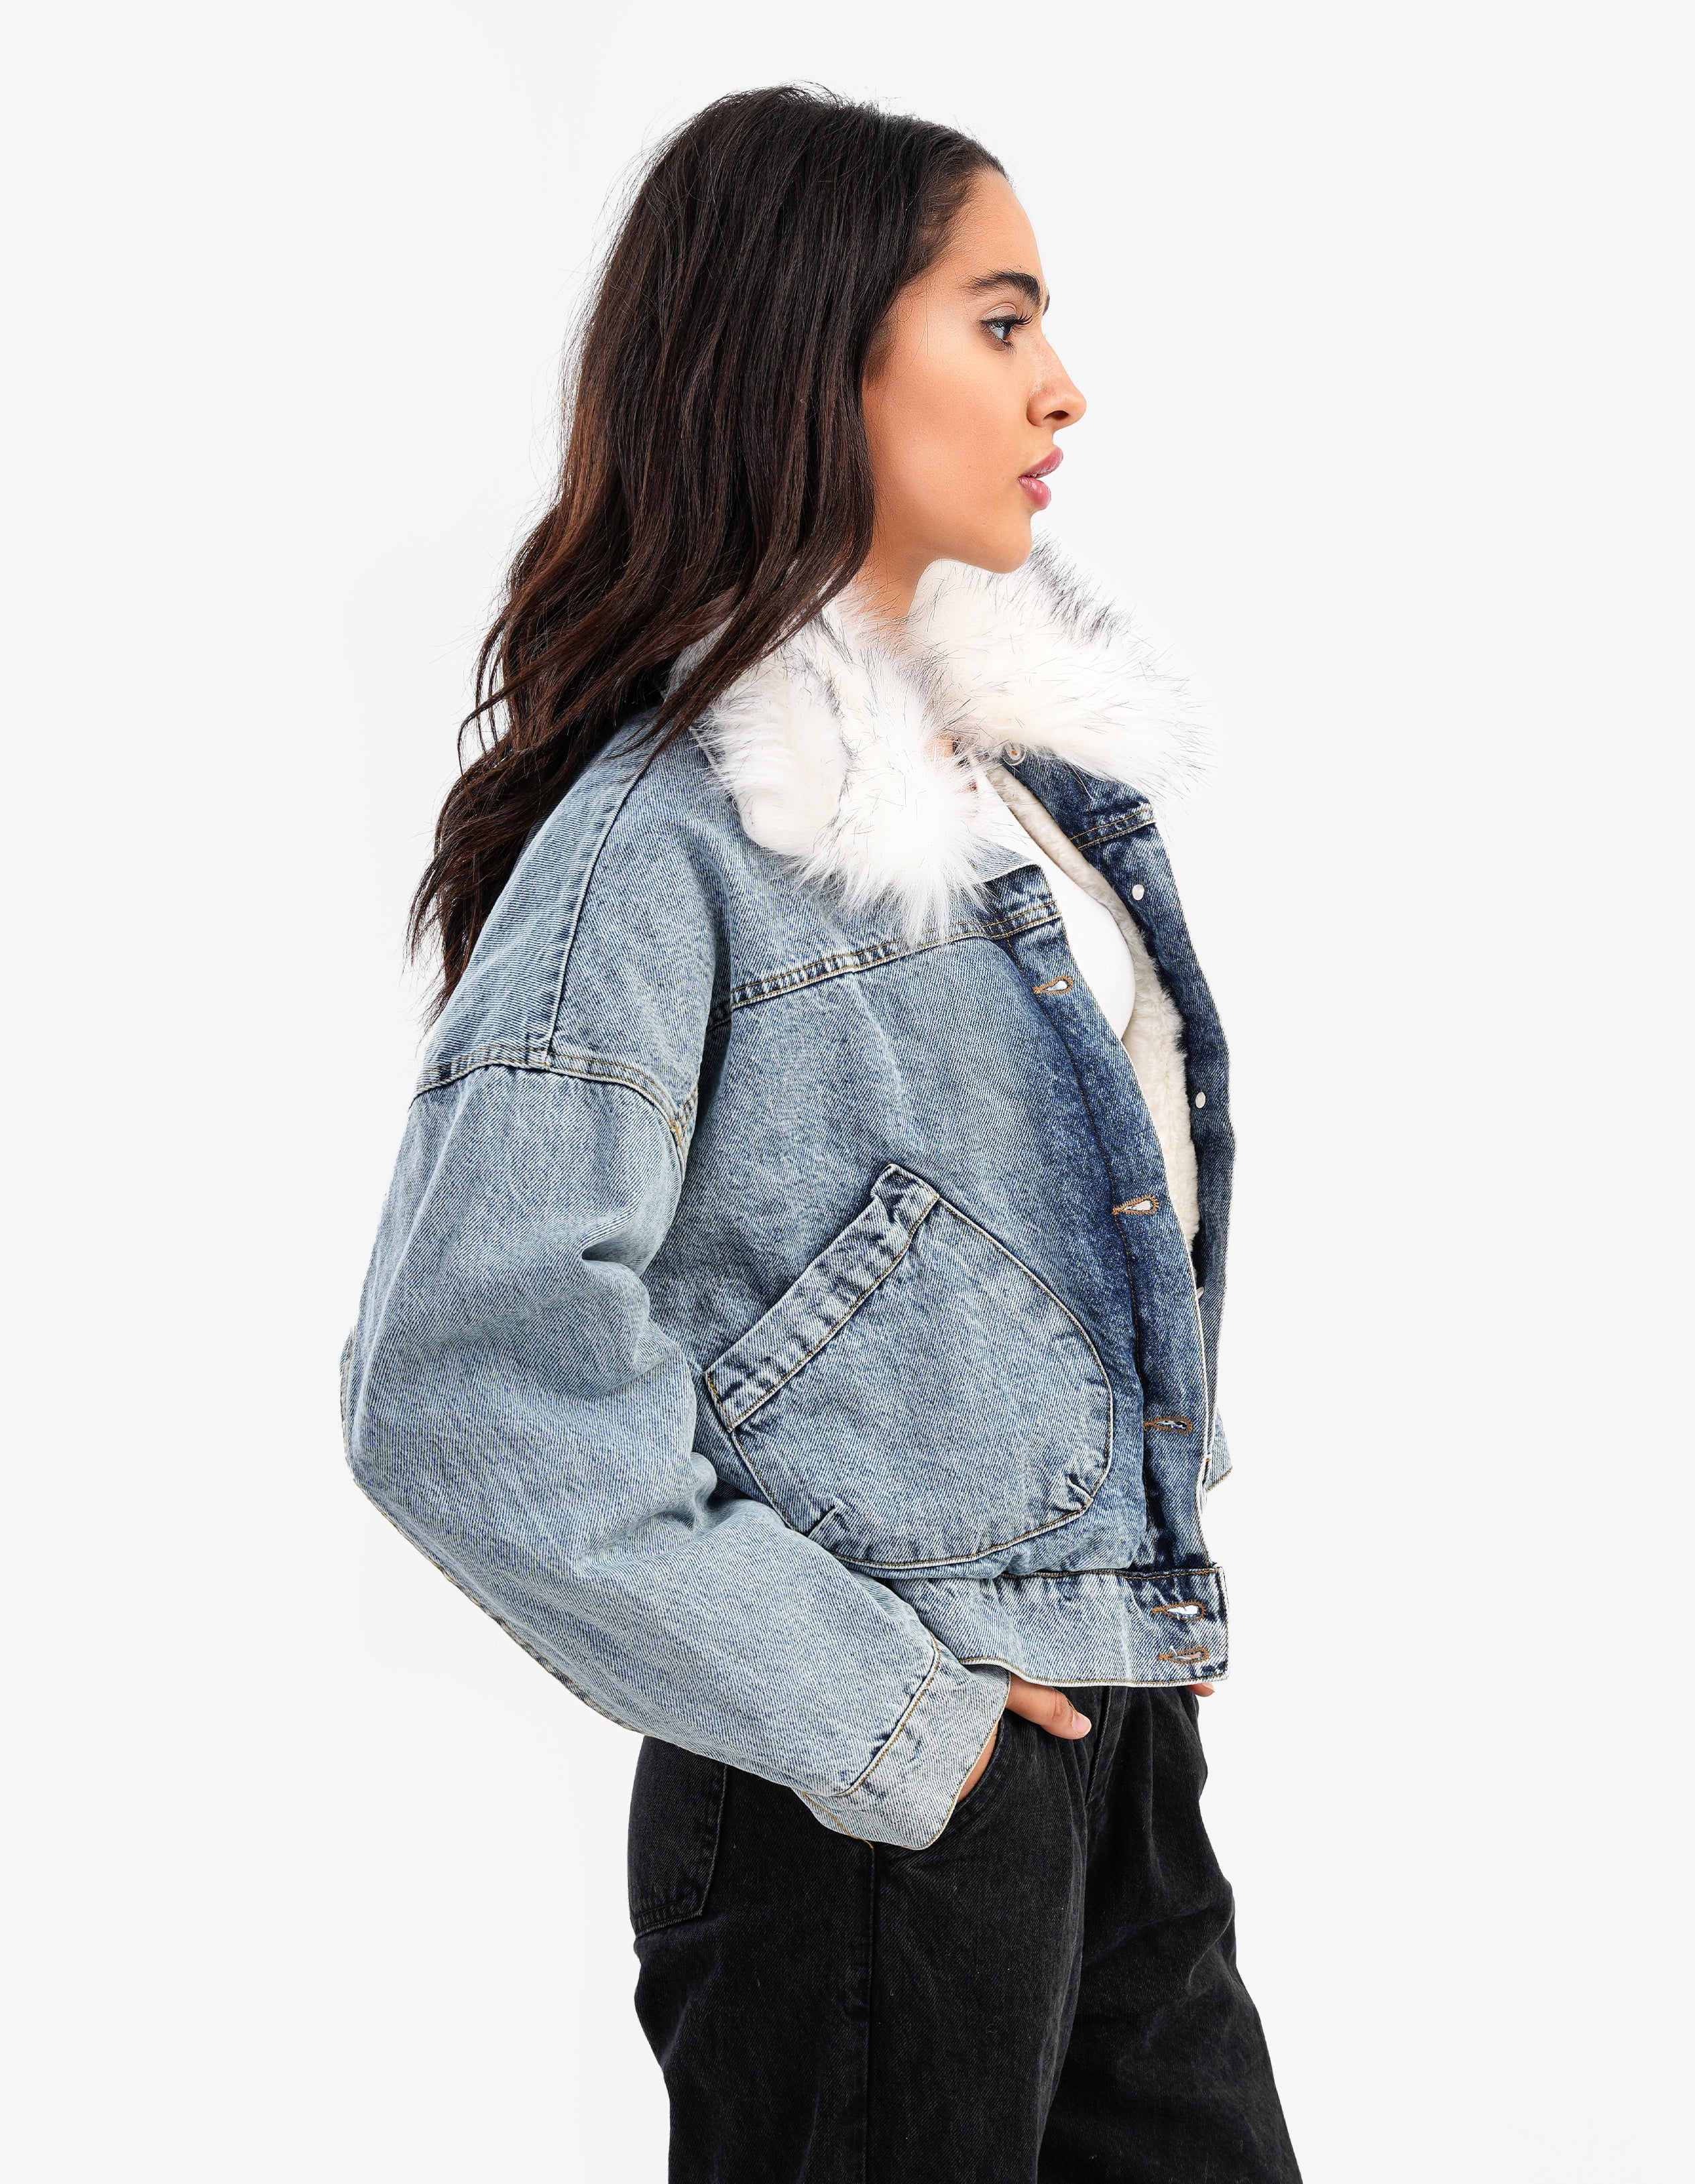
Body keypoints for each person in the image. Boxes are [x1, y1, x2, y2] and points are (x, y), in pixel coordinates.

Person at [342, 84, 1301, 2183]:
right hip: (863, 1793)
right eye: (1000, 321)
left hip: (1104, 1736)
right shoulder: (668, 839)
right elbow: (459, 1375)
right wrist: (892, 1714)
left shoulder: (1026, 797)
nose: (1062, 386)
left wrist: (1113, 1603)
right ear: (818, 354)